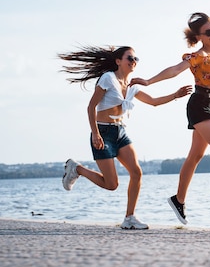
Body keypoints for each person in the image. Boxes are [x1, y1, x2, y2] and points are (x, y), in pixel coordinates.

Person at [58, 45, 192, 229]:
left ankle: (129, 217)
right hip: (103, 132)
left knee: (136, 172)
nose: (133, 62)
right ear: (118, 61)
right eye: (130, 58)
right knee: (111, 184)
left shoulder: (132, 86)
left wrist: (175, 95)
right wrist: (96, 134)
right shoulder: (108, 79)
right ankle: (77, 169)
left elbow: (153, 102)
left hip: (120, 132)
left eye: (136, 59)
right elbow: (91, 107)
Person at [130, 12, 210, 224]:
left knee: (196, 156)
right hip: (200, 105)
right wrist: (148, 81)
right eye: (208, 32)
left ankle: (178, 199)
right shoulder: (195, 57)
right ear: (198, 37)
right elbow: (174, 71)